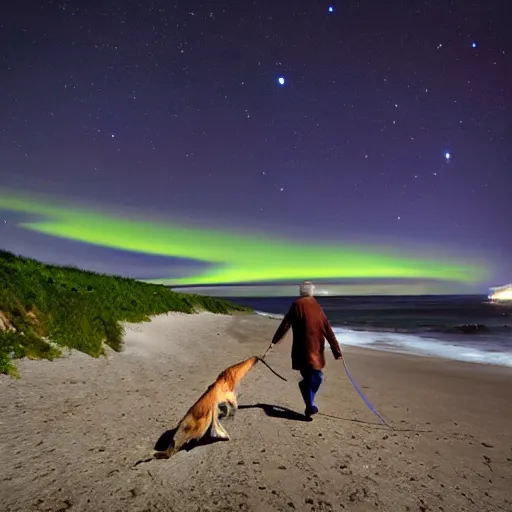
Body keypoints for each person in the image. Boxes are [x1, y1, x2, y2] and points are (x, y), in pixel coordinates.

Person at [266, 280, 343, 419]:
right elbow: (285, 325)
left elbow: (327, 329)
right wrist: (274, 342)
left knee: (313, 377)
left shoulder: (316, 306)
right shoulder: (297, 305)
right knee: (316, 376)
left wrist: (336, 350)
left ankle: (309, 404)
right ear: (309, 291)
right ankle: (309, 405)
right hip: (303, 350)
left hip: (315, 349)